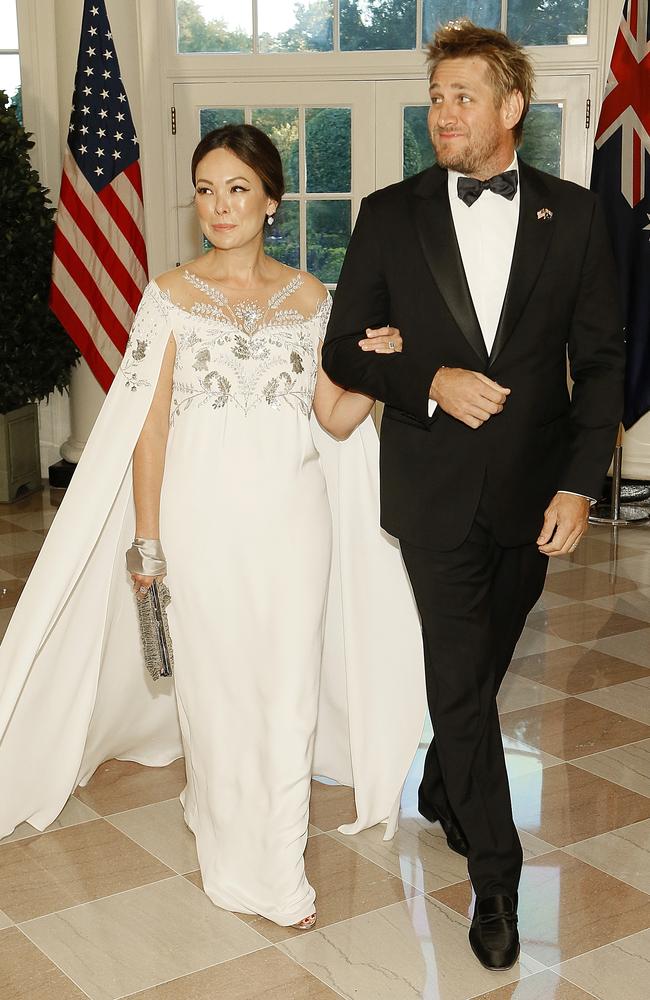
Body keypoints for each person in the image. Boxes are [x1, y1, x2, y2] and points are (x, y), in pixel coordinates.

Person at [0, 125, 425, 930]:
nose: (220, 206)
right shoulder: (169, 296)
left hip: (294, 526)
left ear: (271, 199)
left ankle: (276, 855)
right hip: (199, 523)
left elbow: (332, 420)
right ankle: (239, 856)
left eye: (237, 189)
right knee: (216, 688)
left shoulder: (312, 300)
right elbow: (148, 427)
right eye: (205, 189)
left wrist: (381, 366)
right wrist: (148, 539)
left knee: (289, 687)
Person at [322, 20, 625, 969]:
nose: (442, 111)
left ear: (510, 109)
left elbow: (603, 365)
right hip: (432, 490)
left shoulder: (575, 218)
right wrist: (427, 381)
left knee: (481, 671)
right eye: (436, 95)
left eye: (461, 96)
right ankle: (496, 879)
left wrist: (583, 485)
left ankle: (451, 788)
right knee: (457, 676)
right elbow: (340, 349)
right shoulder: (388, 212)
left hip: (535, 499)